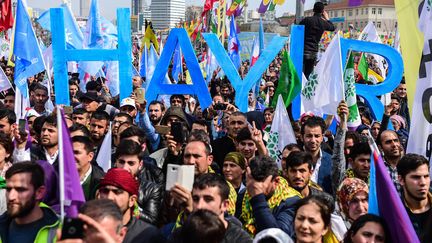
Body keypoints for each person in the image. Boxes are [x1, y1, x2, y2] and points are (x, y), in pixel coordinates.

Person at [170, 173, 252, 243]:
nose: (199, 206)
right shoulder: (180, 235)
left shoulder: (240, 239)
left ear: (225, 205)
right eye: (195, 199)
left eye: (208, 199)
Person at [238, 155, 300, 236]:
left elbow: (277, 237)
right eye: (254, 181)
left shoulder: (292, 201)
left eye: (261, 182)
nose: (256, 186)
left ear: (276, 181)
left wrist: (258, 198)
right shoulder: (244, 194)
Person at [97, 168, 164, 243]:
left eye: (117, 192)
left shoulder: (148, 235)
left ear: (132, 200)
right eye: (105, 191)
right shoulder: (88, 228)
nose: (109, 197)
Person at [0, 162, 60, 242]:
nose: (11, 197)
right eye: (8, 189)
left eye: (20, 190)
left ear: (39, 192)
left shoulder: (60, 231)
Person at [397, 153, 431, 242]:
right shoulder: (394, 212)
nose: (423, 182)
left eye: (426, 176)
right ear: (401, 180)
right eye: (416, 177)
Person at [299, 1, 335, 78]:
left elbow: (298, 26)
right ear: (322, 12)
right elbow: (332, 28)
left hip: (303, 50)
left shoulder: (307, 20)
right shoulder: (323, 23)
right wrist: (327, 18)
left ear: (313, 10)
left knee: (298, 73)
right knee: (308, 75)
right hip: (313, 52)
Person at [301, 116, 333, 194]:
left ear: (322, 137)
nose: (313, 140)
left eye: (317, 136)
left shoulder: (332, 161)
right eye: (309, 136)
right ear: (302, 137)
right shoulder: (294, 160)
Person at [72, 136, 105, 200]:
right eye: (69, 152)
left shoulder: (102, 180)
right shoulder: (58, 176)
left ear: (90, 156)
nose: (72, 156)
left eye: (76, 152)